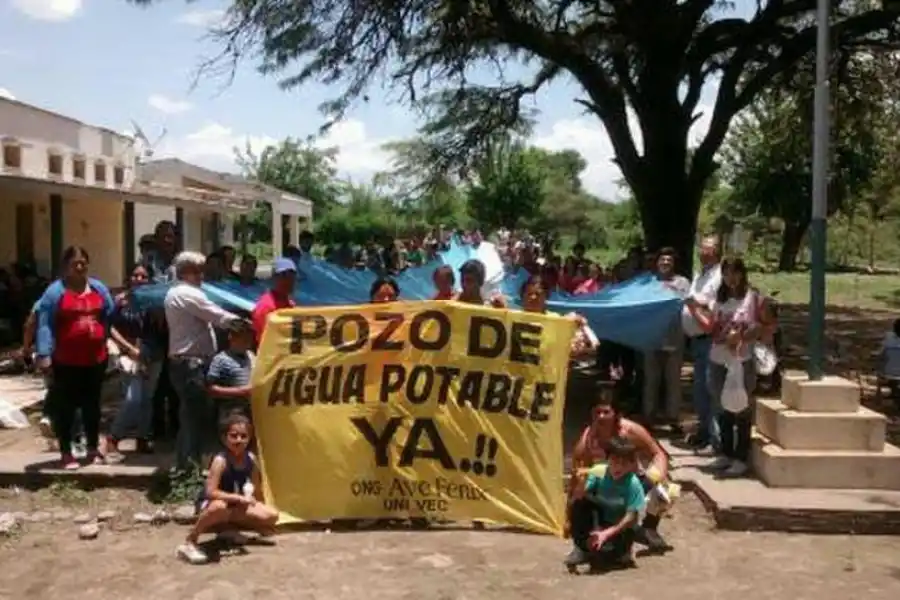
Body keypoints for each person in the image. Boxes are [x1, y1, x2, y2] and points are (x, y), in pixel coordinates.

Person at [34, 246, 115, 469]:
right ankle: (66, 452)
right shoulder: (55, 292)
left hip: (95, 359)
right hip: (66, 360)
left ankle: (91, 448)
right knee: (66, 407)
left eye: (83, 263)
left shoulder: (98, 288)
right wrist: (44, 354)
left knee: (92, 405)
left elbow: (109, 314)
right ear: (66, 267)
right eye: (74, 263)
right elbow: (45, 324)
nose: (79, 267)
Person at [567, 388, 673, 552]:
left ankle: (649, 528)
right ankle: (584, 541)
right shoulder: (589, 438)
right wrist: (570, 509)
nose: (601, 417)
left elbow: (658, 453)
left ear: (616, 413)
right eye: (598, 412)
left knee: (667, 490)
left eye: (606, 412)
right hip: (604, 484)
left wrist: (654, 477)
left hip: (632, 481)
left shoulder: (631, 431)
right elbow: (578, 470)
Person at [164, 251, 243, 471]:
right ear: (185, 272)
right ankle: (189, 469)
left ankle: (186, 466)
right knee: (194, 418)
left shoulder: (179, 292)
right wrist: (241, 322)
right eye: (197, 271)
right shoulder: (187, 293)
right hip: (191, 363)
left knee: (190, 417)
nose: (201, 275)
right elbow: (216, 315)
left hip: (188, 362)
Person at [686, 257, 760, 478]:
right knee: (722, 406)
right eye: (726, 273)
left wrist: (741, 336)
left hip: (741, 359)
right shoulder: (720, 300)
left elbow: (759, 328)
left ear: (742, 273)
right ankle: (726, 453)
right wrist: (693, 309)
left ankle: (741, 457)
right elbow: (711, 327)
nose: (731, 278)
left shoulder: (752, 297)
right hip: (717, 358)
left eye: (735, 273)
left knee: (742, 407)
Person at [176, 413, 278, 565]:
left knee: (271, 516)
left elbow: (256, 490)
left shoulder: (251, 459)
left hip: (234, 504)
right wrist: (238, 498)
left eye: (244, 436)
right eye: (234, 436)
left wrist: (257, 516)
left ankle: (227, 531)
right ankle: (189, 542)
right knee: (220, 507)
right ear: (225, 438)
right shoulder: (220, 461)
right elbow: (211, 492)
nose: (239, 440)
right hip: (212, 503)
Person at [107, 264, 165, 455]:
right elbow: (110, 327)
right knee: (133, 399)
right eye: (136, 275)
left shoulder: (157, 301)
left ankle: (143, 437)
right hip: (129, 357)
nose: (139, 279)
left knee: (147, 399)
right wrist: (128, 348)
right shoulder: (121, 301)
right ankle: (114, 437)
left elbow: (163, 328)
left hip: (154, 355)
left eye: (144, 276)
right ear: (129, 278)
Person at [565, 436, 645, 571]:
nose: (618, 467)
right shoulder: (599, 471)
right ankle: (581, 548)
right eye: (614, 461)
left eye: (624, 463)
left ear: (631, 464)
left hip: (620, 528)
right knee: (580, 504)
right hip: (601, 519)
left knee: (602, 561)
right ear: (608, 459)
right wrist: (580, 482)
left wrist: (606, 534)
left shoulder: (633, 484)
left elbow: (631, 517)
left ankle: (621, 553)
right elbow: (579, 496)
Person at [681, 235, 723, 452]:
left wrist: (694, 305)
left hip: (711, 339)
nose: (703, 252)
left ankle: (715, 440)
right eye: (702, 248)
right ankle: (704, 433)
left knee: (711, 388)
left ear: (717, 251)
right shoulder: (700, 275)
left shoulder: (719, 276)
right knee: (699, 390)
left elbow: (711, 307)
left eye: (708, 249)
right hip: (696, 340)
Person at [643, 247, 690, 427]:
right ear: (657, 263)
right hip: (651, 338)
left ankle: (673, 418)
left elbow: (686, 305)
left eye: (669, 261)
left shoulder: (683, 283)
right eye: (662, 260)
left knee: (673, 381)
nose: (665, 263)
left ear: (674, 264)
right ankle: (649, 417)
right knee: (651, 380)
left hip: (674, 338)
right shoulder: (649, 282)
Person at [207, 325, 255, 423]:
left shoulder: (251, 356)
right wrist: (240, 391)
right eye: (244, 340)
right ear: (232, 338)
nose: (248, 344)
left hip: (252, 410)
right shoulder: (220, 360)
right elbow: (211, 390)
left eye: (249, 340)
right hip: (231, 413)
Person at [251, 258, 297, 344]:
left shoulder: (291, 305)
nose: (288, 280)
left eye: (292, 275)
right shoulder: (265, 306)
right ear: (274, 278)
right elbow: (264, 339)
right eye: (284, 275)